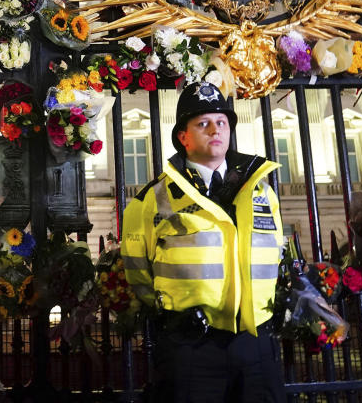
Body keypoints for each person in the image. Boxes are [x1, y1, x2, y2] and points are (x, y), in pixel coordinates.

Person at [122, 81, 285, 403]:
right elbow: (137, 271)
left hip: (257, 342)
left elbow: (277, 251)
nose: (215, 129)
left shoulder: (262, 192)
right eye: (203, 123)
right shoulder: (152, 199)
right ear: (183, 137)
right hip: (192, 346)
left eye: (221, 122)